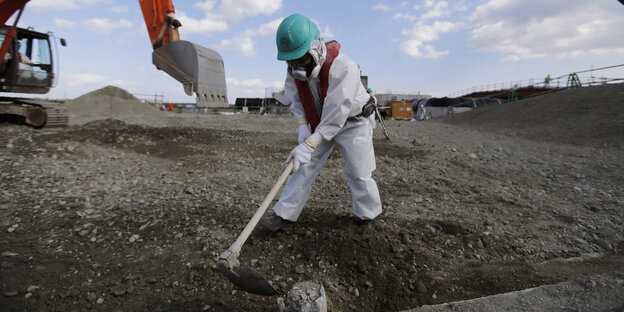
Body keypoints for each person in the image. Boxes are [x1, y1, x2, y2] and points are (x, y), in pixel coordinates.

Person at [260, 14, 382, 232]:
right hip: (319, 123)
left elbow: (337, 114)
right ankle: (284, 216)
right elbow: (295, 101)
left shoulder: (343, 67)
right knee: (301, 166)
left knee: (359, 170)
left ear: (316, 48)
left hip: (353, 121)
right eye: (291, 62)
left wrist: (309, 144)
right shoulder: (294, 72)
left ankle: (367, 217)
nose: (297, 67)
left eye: (302, 60)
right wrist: (302, 126)